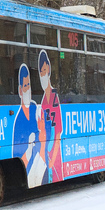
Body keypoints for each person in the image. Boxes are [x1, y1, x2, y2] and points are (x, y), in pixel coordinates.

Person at [12, 64, 44, 185]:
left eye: (29, 86)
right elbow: (17, 154)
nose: (28, 90)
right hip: (31, 162)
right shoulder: (18, 120)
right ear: (20, 90)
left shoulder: (34, 107)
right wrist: (30, 149)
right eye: (25, 86)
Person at [37, 50, 64, 184]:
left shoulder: (54, 97)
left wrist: (52, 161)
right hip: (47, 155)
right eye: (40, 72)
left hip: (54, 154)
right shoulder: (42, 102)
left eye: (44, 70)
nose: (43, 75)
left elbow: (58, 134)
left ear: (49, 70)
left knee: (55, 176)